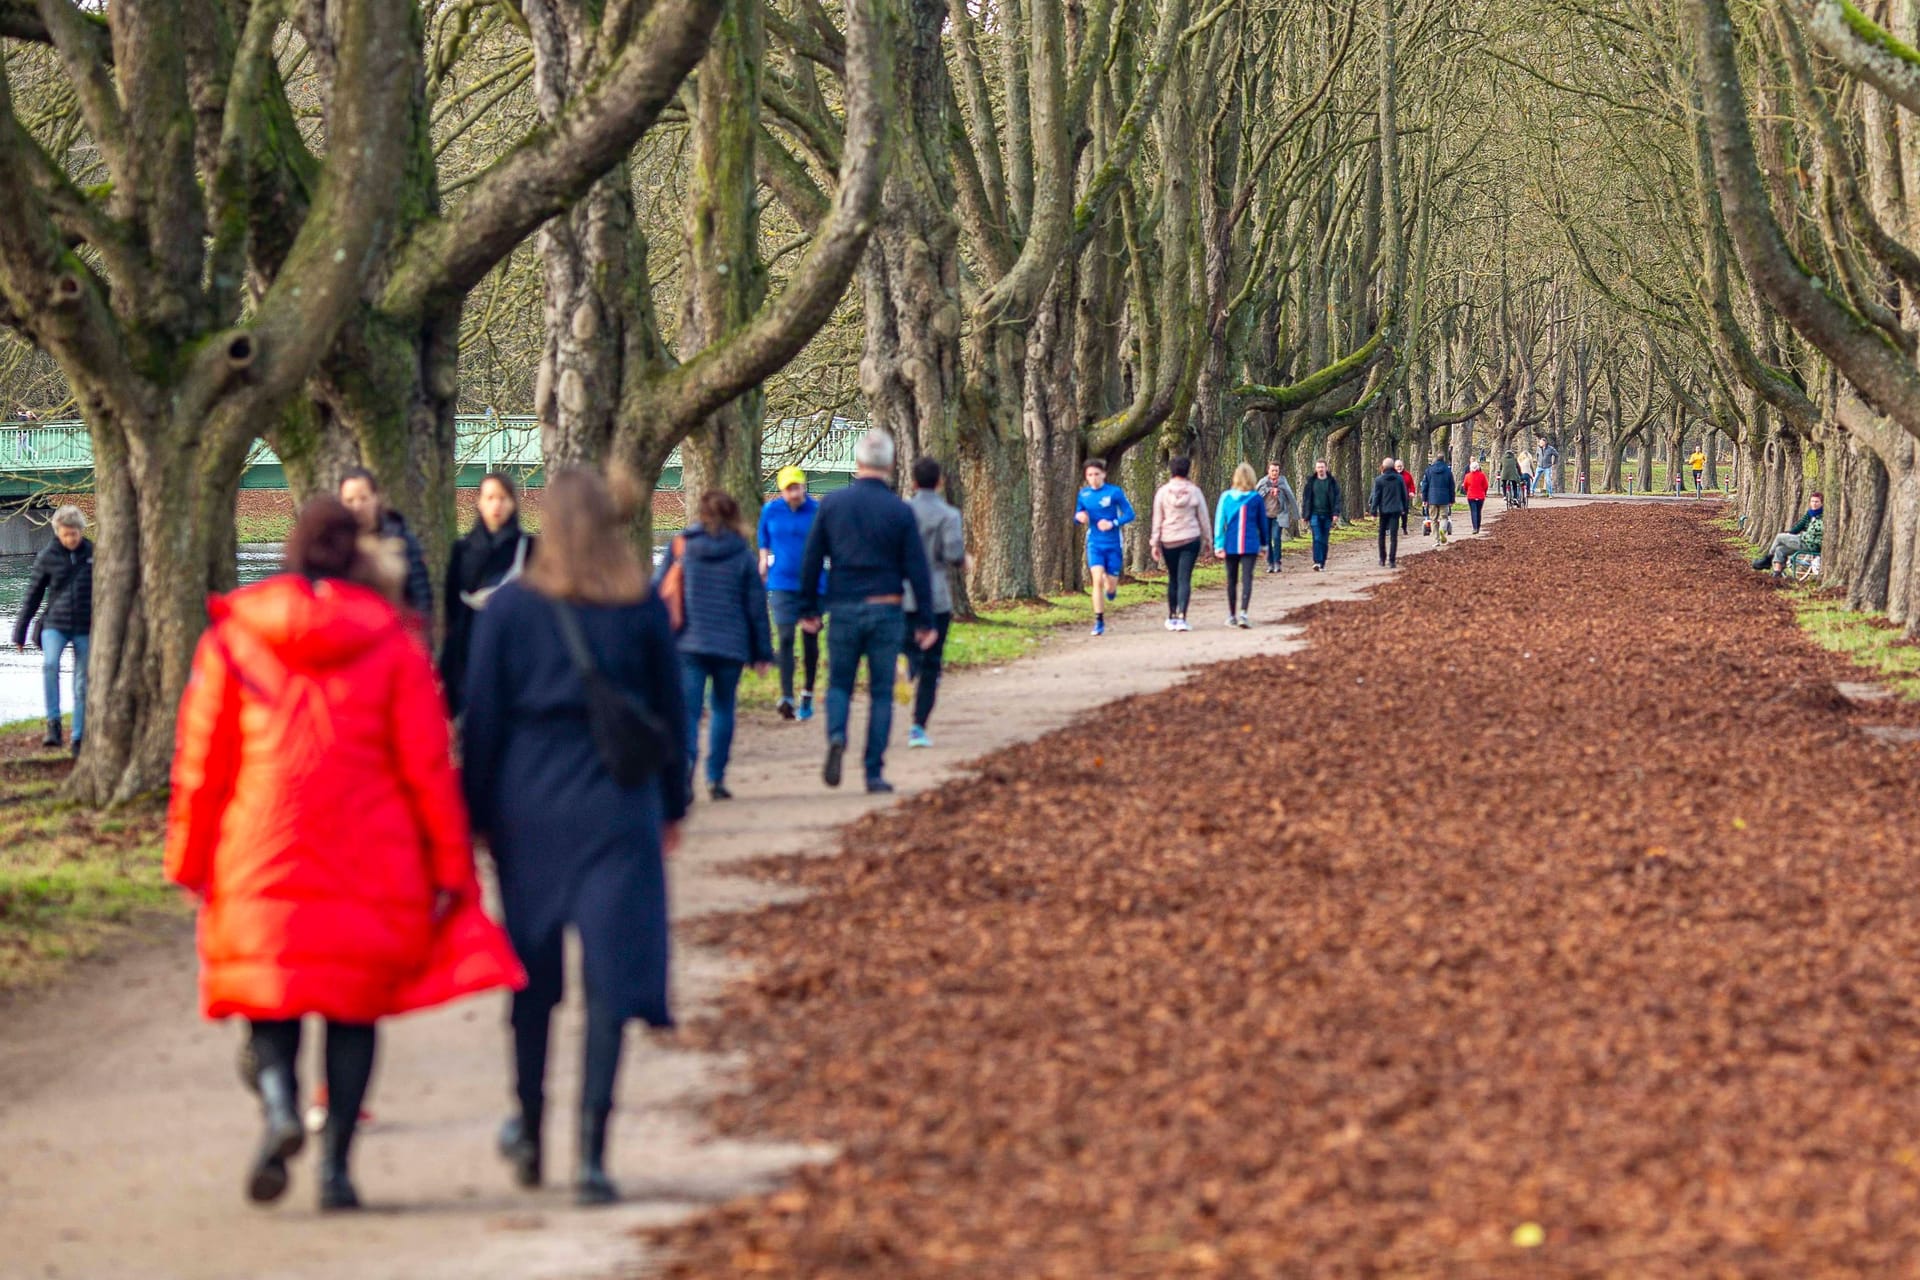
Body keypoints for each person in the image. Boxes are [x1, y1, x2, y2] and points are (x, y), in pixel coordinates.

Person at [165, 499, 521, 1212]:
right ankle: (335, 1171)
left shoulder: (235, 640)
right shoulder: (392, 644)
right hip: (369, 851)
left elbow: (201, 764)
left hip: (260, 845)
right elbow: (425, 768)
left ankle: (278, 1107)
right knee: (353, 1011)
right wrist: (450, 870)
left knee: (273, 994)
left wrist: (189, 860)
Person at [461, 467, 691, 1206]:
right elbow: (671, 718)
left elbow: (484, 722)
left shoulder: (510, 611)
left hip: (531, 808)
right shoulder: (639, 608)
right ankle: (592, 1152)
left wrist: (476, 817)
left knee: (532, 979)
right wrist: (673, 807)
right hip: (618, 807)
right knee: (609, 982)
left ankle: (529, 1126)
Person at [798, 429, 936, 794]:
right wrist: (924, 619)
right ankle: (873, 772)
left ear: (858, 463)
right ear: (891, 465)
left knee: (839, 683)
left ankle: (838, 734)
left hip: (842, 607)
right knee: (880, 692)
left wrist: (808, 608)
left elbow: (812, 559)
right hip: (886, 609)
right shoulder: (900, 510)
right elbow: (917, 568)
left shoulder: (832, 505)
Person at [663, 490, 773, 800]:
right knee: (723, 708)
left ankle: (685, 770)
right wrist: (762, 652)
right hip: (730, 645)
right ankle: (716, 777)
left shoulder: (682, 546)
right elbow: (756, 607)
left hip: (689, 644)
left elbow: (660, 591)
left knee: (689, 712)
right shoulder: (742, 554)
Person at [440, 472, 534, 717]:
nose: (496, 505)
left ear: (513, 503)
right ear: (480, 502)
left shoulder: (529, 549)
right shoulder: (462, 550)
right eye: (490, 497)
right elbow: (452, 608)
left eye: (503, 498)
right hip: (470, 648)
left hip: (515, 647)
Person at [11, 505, 92, 753]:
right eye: (66, 534)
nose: (70, 539)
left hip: (85, 626)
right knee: (50, 665)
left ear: (81, 531)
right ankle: (53, 724)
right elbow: (33, 596)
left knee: (81, 682)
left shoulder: (94, 554)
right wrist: (20, 632)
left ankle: (78, 736)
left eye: (74, 534)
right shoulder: (47, 556)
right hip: (54, 625)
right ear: (58, 533)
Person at [903, 457, 967, 747]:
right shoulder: (949, 515)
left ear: (913, 483)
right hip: (936, 596)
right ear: (940, 482)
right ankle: (918, 726)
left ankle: (906, 667)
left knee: (908, 648)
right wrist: (965, 561)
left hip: (902, 595)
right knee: (933, 663)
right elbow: (953, 554)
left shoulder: (901, 512)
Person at [757, 466, 823, 721]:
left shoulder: (816, 511)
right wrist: (763, 560)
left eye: (798, 487)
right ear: (782, 490)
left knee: (810, 639)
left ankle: (807, 691)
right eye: (789, 489)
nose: (795, 493)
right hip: (781, 582)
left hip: (812, 584)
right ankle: (786, 695)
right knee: (784, 636)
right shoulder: (770, 511)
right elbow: (763, 538)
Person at [338, 467, 433, 623]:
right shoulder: (335, 545)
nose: (357, 507)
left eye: (363, 498)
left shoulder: (401, 540)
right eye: (350, 500)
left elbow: (420, 596)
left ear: (375, 498)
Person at [1074, 458, 1136, 636]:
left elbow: (1130, 514)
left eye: (1096, 474)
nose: (1093, 478)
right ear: (1086, 477)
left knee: (1109, 584)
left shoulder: (1114, 492)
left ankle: (1112, 590)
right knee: (1097, 581)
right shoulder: (1083, 495)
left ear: (1104, 475)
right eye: (1090, 475)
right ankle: (1099, 620)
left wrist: (1113, 523)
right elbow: (1078, 514)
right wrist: (1080, 518)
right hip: (1094, 543)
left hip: (1114, 543)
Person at [1152, 455, 1212, 631]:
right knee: (1184, 578)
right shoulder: (1194, 492)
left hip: (1168, 540)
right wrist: (1208, 540)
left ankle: (1171, 616)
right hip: (1190, 539)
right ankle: (1182, 617)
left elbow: (1157, 519)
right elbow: (1203, 518)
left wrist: (1154, 542)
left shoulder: (1163, 492)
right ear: (1187, 470)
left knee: (1173, 578)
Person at [1214, 462, 1270, 627]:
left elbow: (1219, 522)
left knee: (1231, 580)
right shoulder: (1256, 498)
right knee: (1247, 579)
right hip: (1250, 544)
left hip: (1230, 544)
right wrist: (1264, 545)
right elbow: (1263, 524)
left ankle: (1231, 615)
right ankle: (1243, 613)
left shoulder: (1226, 497)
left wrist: (1218, 544)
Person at [1753, 494, 1825, 579]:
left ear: (1822, 503)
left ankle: (1768, 559)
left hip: (1809, 544)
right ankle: (1777, 573)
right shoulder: (1810, 513)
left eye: (1817, 502)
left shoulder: (1822, 517)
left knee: (1779, 537)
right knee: (1780, 549)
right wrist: (1790, 533)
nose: (1814, 504)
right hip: (1804, 540)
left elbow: (1814, 533)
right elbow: (1799, 526)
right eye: (1812, 501)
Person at [1299, 459, 1342, 571]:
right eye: (1318, 467)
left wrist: (1336, 513)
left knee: (1324, 539)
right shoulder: (1311, 482)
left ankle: (1322, 562)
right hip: (1314, 514)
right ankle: (1317, 561)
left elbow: (1337, 499)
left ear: (1326, 468)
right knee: (1317, 537)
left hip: (1327, 514)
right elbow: (1306, 499)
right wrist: (1305, 515)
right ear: (1315, 469)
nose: (1320, 469)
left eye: (1322, 467)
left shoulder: (1332, 482)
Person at [1254, 461, 1297, 573]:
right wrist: (1268, 491)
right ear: (1268, 471)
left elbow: (1291, 497)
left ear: (1279, 472)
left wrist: (1297, 515)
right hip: (1265, 516)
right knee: (1267, 540)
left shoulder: (1283, 482)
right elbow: (1255, 496)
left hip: (1279, 515)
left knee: (1276, 538)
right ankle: (1270, 563)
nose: (1274, 473)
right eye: (1272, 470)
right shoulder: (1263, 482)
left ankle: (1277, 562)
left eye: (1276, 471)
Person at [1367, 457, 1408, 568]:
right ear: (1393, 467)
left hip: (1384, 510)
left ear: (1383, 467)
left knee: (1381, 535)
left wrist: (1373, 512)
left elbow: (1376, 496)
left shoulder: (1379, 480)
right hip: (1396, 510)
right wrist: (1405, 508)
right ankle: (1392, 560)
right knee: (1394, 536)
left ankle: (1382, 558)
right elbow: (1404, 495)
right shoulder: (1399, 479)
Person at [1422, 453, 1458, 544]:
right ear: (1444, 459)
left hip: (1432, 498)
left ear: (1435, 459)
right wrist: (1452, 500)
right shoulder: (1448, 471)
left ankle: (1436, 540)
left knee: (1433, 519)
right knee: (1444, 517)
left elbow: (1425, 486)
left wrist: (1424, 499)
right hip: (1444, 498)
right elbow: (1451, 487)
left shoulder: (1429, 470)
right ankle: (1442, 530)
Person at [1462, 460, 1491, 533]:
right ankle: (1478, 527)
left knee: (1473, 511)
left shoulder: (1467, 476)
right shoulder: (1482, 475)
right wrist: (1484, 492)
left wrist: (1467, 491)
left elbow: (1465, 486)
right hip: (1480, 496)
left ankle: (1474, 527)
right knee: (1478, 511)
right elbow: (1486, 485)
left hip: (1471, 496)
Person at [1395, 459, 1415, 534]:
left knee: (1404, 514)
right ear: (1395, 467)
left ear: (1403, 466)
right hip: (1395, 497)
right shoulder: (1393, 475)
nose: (1399, 468)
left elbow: (1412, 485)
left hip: (1404, 497)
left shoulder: (1407, 475)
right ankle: (1394, 528)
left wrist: (1412, 492)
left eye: (1401, 466)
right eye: (1397, 467)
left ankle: (1404, 527)